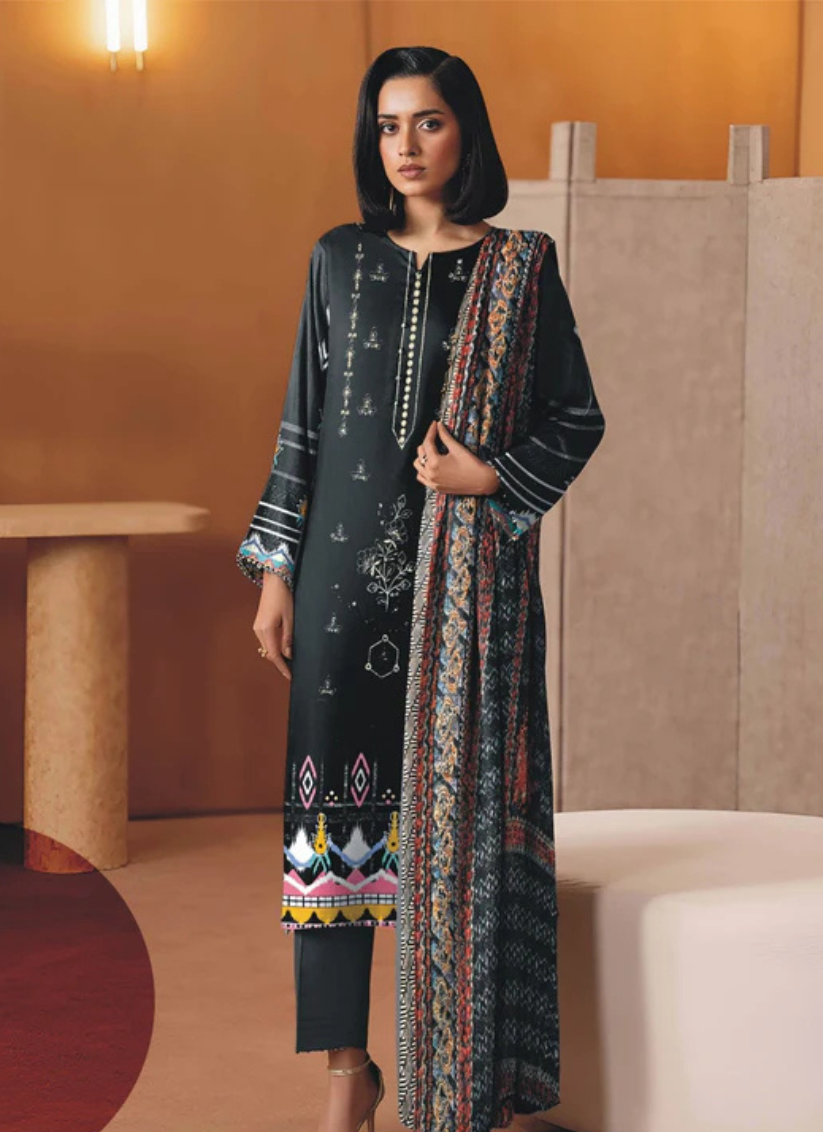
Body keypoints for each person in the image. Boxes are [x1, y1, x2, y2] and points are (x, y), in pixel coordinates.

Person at [236, 45, 606, 1132]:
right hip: (339, 587)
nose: (404, 144)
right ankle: (346, 1072)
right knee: (333, 839)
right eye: (388, 124)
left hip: (464, 601)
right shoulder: (338, 259)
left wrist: (490, 476)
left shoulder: (519, 266)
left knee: (456, 836)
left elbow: (577, 415)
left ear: (466, 133)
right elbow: (303, 424)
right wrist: (274, 572)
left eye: (428, 122)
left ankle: (460, 1074)